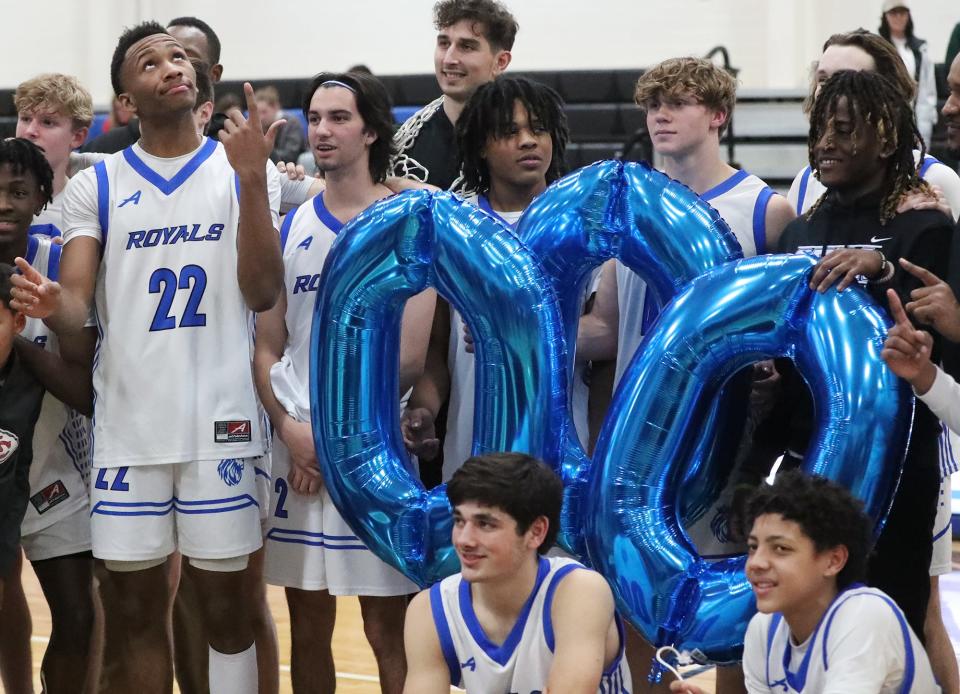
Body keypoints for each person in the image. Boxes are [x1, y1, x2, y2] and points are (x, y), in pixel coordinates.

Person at [10, 21, 284, 694]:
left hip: (220, 424)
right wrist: (50, 306)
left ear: (201, 78)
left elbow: (262, 290)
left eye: (180, 56)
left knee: (227, 611)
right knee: (134, 616)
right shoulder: (94, 188)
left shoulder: (245, 168)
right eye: (149, 60)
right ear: (124, 100)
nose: (171, 65)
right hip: (128, 432)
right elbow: (76, 307)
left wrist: (251, 184)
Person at [756, 69, 953, 653]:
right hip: (805, 456)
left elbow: (939, 346)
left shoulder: (925, 227)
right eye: (819, 132)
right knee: (805, 629)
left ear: (888, 139)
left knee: (889, 625)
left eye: (844, 131)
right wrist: (768, 379)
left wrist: (883, 269)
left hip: (900, 463)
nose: (825, 146)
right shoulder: (799, 230)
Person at [256, 70, 434, 694]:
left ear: (372, 130)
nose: (322, 131)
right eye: (315, 117)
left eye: (339, 118)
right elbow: (268, 344)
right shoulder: (291, 223)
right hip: (297, 448)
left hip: (373, 450)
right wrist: (289, 428)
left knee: (389, 628)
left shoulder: (407, 220)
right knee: (307, 623)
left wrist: (327, 442)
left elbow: (409, 359)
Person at [402, 76, 574, 480]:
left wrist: (515, 331)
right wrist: (423, 409)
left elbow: (605, 343)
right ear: (481, 143)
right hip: (472, 454)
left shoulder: (578, 220)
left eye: (538, 129)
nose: (529, 141)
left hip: (562, 457)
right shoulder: (453, 226)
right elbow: (438, 350)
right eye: (510, 132)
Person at [670, 470, 938, 693]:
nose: (756, 562)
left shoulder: (864, 615)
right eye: (753, 547)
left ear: (834, 560)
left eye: (780, 549)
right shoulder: (763, 629)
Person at [11, 75, 100, 692]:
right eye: (25, 119)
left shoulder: (76, 240)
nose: (31, 131)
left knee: (80, 616)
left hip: (54, 460)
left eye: (46, 122)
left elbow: (85, 383)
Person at [403, 452, 630, 693]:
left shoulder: (579, 591)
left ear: (536, 531)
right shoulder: (429, 609)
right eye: (459, 521)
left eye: (485, 524)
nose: (464, 540)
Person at [787, 29, 960, 221]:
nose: (829, 89)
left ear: (886, 93)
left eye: (846, 78)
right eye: (823, 79)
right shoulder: (805, 182)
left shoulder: (936, 179)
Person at [391, 0, 516, 189]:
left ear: (500, 62)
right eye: (444, 43)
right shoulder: (398, 145)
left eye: (466, 46)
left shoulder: (527, 140)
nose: (449, 59)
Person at [81, 15, 224, 155]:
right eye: (150, 64)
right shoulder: (102, 157)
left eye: (179, 56)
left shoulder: (236, 152)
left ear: (214, 74)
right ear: (129, 101)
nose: (173, 70)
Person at [879, 1, 937, 148]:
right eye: (893, 13)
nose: (898, 17)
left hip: (915, 118)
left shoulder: (920, 49)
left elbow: (927, 90)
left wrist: (926, 126)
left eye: (902, 12)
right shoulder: (877, 48)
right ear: (885, 17)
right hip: (886, 118)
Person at [255, 86, 307, 164]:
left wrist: (264, 153)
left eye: (264, 112)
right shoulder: (259, 126)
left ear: (276, 107)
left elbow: (290, 155)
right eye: (258, 113)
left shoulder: (291, 123)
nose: (261, 117)